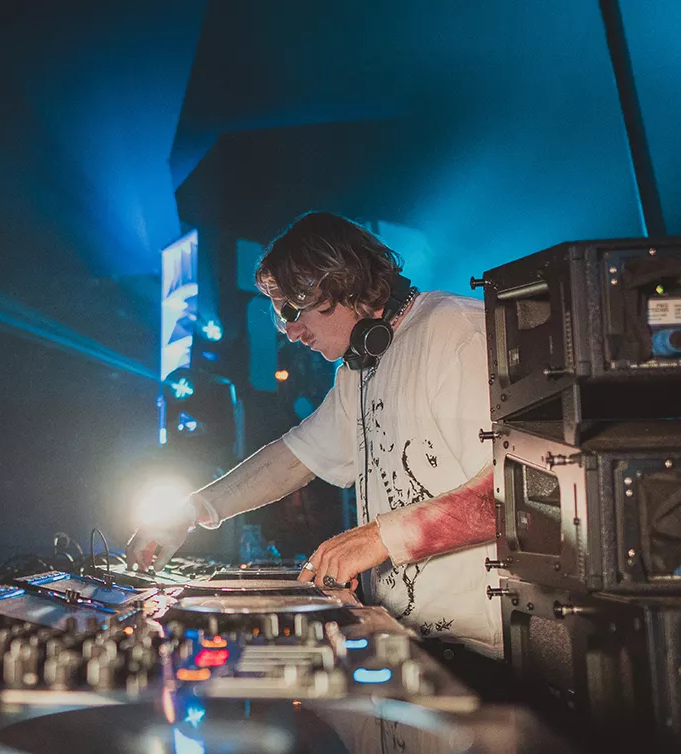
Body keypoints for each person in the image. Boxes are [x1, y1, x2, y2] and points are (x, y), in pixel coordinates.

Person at [126, 211, 502, 660]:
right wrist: (191, 510)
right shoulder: (358, 371)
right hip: (406, 643)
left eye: (294, 309)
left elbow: (516, 494)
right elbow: (293, 458)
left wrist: (380, 537)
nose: (290, 331)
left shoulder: (459, 332)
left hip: (482, 657)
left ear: (343, 285)